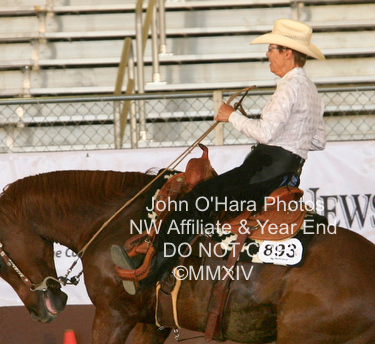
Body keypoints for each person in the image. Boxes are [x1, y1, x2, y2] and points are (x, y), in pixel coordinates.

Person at [113, 18, 326, 294]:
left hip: (263, 172)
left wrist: (231, 116)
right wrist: (290, 138)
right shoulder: (310, 89)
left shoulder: (288, 86)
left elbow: (265, 133)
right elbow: (318, 141)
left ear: (287, 52)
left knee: (196, 200)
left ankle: (148, 271)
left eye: (272, 48)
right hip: (288, 173)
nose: (267, 54)